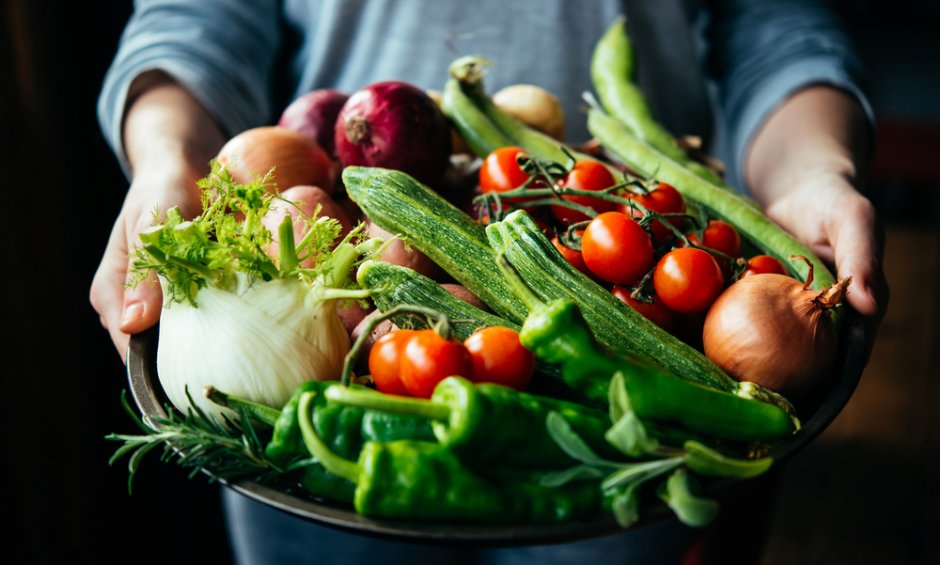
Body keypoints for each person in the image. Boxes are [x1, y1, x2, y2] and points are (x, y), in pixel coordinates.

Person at [91, 1, 888, 563]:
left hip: (628, 387)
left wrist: (815, 169)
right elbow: (194, 18)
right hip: (320, 350)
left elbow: (774, 25)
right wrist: (168, 162)